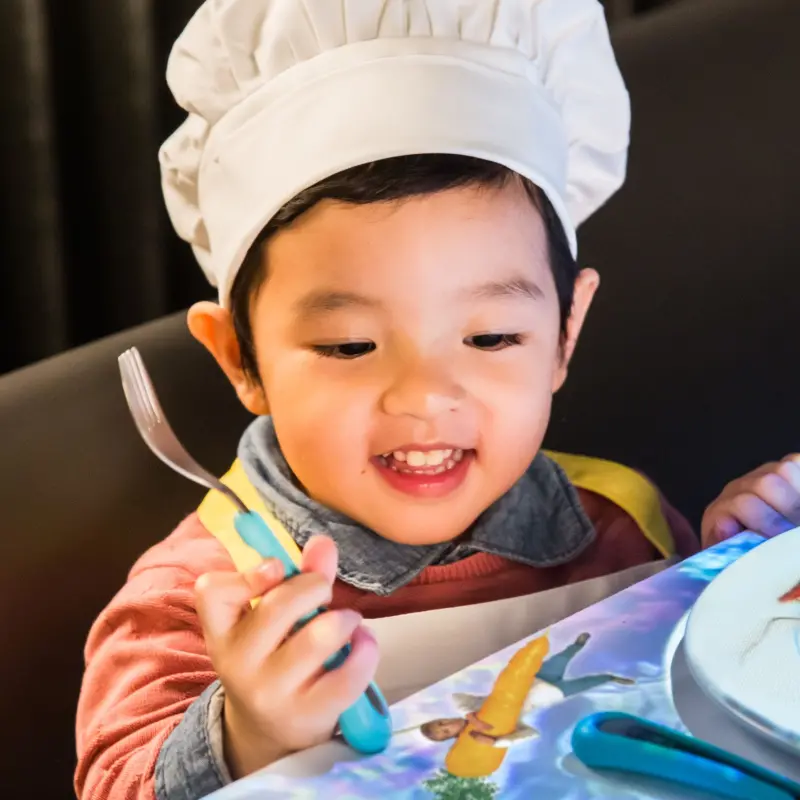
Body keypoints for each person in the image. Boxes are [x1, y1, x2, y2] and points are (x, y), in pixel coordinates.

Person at [73, 1, 800, 799]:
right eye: (350, 345)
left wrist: (738, 569)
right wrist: (249, 736)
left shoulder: (624, 521)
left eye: (489, 339)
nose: (424, 398)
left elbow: (686, 715)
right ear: (238, 357)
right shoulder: (194, 600)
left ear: (565, 332)